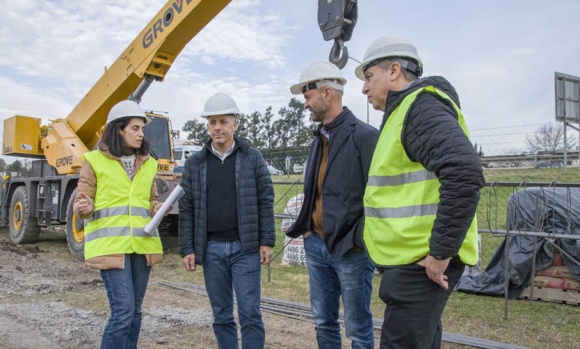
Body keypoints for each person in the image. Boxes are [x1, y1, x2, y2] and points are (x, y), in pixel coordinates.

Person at [356, 36, 485, 349]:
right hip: (413, 262)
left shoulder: (419, 108)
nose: (364, 88)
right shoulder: (405, 113)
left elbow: (464, 172)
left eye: (369, 77)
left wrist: (440, 253)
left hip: (421, 264)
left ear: (395, 70)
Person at [287, 61, 379, 349]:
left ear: (327, 93)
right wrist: (308, 232)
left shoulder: (365, 137)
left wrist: (359, 238)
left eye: (307, 96)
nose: (305, 104)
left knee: (358, 328)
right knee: (323, 321)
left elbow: (377, 196)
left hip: (351, 250)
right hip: (317, 245)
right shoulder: (318, 140)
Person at [178, 92, 276, 349]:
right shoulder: (195, 163)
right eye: (212, 122)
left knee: (250, 314)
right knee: (221, 316)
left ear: (235, 124)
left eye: (223, 121)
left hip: (246, 249)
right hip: (212, 249)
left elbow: (265, 199)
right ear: (207, 125)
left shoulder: (252, 158)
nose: (217, 127)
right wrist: (187, 247)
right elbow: (186, 207)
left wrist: (266, 241)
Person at [74, 99, 165, 348]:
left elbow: (151, 200)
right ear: (118, 130)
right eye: (135, 128)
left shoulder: (149, 163)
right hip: (111, 247)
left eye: (142, 129)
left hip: (142, 246)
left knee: (135, 312)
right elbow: (82, 200)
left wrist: (158, 208)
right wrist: (83, 208)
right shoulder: (93, 161)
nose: (141, 134)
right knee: (123, 312)